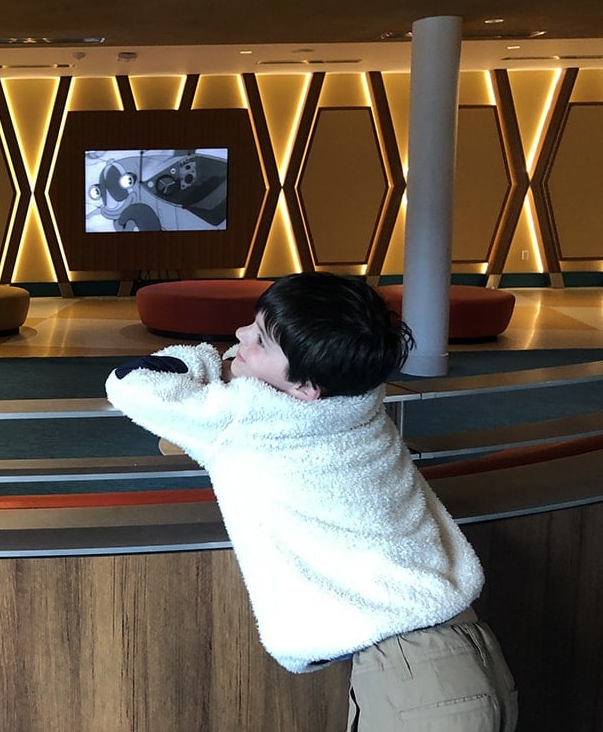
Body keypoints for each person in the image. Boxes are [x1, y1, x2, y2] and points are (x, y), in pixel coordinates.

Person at [105, 272, 517, 731]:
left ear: (305, 387)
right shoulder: (357, 399)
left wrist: (204, 361)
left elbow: (133, 383)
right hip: (468, 653)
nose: (239, 336)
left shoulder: (248, 418)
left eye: (259, 338)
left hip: (414, 679)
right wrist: (251, 358)